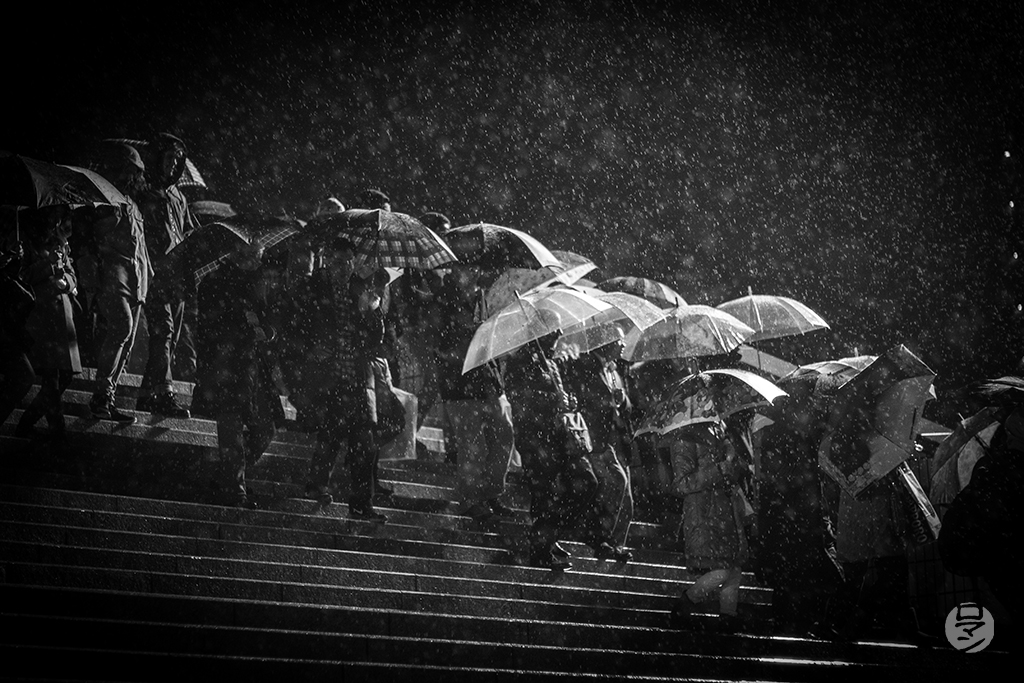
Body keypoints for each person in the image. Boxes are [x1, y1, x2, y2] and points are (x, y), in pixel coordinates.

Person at [279, 235, 389, 521]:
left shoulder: (361, 290)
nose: (342, 268)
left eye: (347, 262)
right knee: (330, 434)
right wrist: (310, 351)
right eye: (337, 262)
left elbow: (376, 340)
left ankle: (361, 504)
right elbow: (293, 330)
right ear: (327, 259)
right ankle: (317, 485)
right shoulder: (311, 289)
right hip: (325, 377)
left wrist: (372, 311)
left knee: (364, 441)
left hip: (356, 376)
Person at [189, 237, 283, 508]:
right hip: (225, 366)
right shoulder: (214, 280)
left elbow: (270, 321)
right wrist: (244, 324)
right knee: (230, 424)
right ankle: (234, 487)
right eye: (253, 251)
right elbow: (210, 327)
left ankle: (227, 476)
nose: (258, 257)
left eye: (260, 252)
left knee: (266, 426)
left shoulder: (258, 280)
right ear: (238, 248)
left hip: (253, 366)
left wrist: (266, 331)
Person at [505, 334, 599, 570]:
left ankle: (548, 535)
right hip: (534, 440)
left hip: (557, 439)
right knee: (543, 495)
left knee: (586, 482)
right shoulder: (520, 361)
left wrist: (568, 401)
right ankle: (540, 549)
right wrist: (552, 400)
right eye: (552, 331)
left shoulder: (552, 362)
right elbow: (518, 397)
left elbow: (558, 398)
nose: (557, 336)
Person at [756, 384, 843, 637]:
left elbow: (774, 479)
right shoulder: (793, 435)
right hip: (795, 513)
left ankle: (790, 621)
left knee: (791, 572)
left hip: (788, 514)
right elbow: (787, 477)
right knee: (798, 570)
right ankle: (796, 621)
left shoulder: (784, 434)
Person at [434, 263, 516, 521]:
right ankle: (470, 499)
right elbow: (441, 344)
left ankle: (492, 493)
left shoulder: (482, 298)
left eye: (475, 268)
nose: (474, 273)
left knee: (504, 435)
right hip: (461, 384)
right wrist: (473, 334)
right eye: (467, 268)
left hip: (490, 381)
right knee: (470, 447)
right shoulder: (444, 300)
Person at [87, 142, 152, 423]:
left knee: (128, 339)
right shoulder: (106, 200)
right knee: (121, 328)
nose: (132, 176)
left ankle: (107, 397)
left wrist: (149, 280)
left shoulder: (133, 205)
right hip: (115, 278)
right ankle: (101, 394)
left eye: (135, 172)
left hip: (137, 282)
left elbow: (141, 249)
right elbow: (99, 239)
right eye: (128, 170)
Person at [134, 133, 198, 418]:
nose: (173, 165)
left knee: (168, 339)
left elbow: (188, 234)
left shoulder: (179, 197)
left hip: (177, 278)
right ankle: (164, 393)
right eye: (170, 158)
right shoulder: (143, 191)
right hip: (155, 274)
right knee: (164, 332)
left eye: (178, 160)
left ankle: (148, 394)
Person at [668, 418, 752, 631]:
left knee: (734, 570)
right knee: (721, 571)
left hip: (726, 513)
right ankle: (686, 602)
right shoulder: (684, 439)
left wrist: (734, 464)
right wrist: (720, 469)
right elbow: (682, 484)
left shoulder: (721, 430)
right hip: (704, 515)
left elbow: (730, 472)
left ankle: (728, 617)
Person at [11, 207, 82, 455]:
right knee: (52, 378)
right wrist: (49, 266)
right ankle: (58, 432)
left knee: (66, 378)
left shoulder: (61, 246)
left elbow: (73, 277)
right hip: (44, 319)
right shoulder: (29, 244)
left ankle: (27, 423)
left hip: (63, 318)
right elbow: (24, 275)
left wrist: (67, 281)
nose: (61, 226)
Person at [558, 336, 634, 562]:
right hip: (596, 438)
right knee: (614, 483)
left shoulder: (617, 369)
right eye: (619, 340)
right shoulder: (587, 364)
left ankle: (615, 542)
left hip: (617, 439)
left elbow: (628, 404)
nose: (622, 345)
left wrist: (621, 401)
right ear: (607, 342)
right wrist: (609, 400)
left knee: (626, 498)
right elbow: (585, 399)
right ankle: (601, 537)